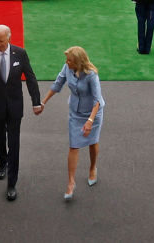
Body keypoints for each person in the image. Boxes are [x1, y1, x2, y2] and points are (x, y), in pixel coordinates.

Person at [0, 24, 43, 201]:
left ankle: (12, 183)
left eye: (1, 40)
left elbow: (30, 78)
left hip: (14, 107)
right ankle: (2, 163)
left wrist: (36, 102)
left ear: (9, 38)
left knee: (14, 143)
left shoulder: (20, 53)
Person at [40, 46, 106, 200]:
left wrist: (90, 121)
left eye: (69, 60)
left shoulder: (91, 75)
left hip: (93, 114)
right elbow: (57, 85)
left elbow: (97, 101)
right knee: (74, 145)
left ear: (78, 62)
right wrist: (43, 102)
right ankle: (71, 182)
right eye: (67, 60)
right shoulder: (67, 68)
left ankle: (92, 168)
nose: (66, 62)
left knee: (93, 142)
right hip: (75, 113)